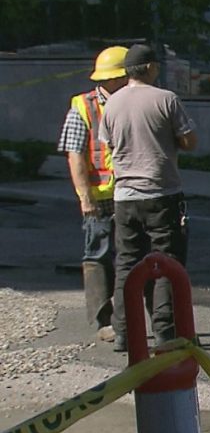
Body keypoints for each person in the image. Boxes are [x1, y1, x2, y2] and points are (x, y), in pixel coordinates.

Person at [98, 44, 198, 351]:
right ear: (152, 68)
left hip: (125, 197)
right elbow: (189, 141)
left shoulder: (112, 104)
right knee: (165, 265)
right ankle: (165, 335)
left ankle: (124, 334)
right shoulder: (166, 99)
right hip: (161, 194)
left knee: (127, 264)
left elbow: (108, 144)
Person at [56, 46, 129, 342]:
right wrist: (85, 198)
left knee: (128, 257)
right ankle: (103, 320)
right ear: (116, 79)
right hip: (99, 198)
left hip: (128, 194)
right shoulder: (83, 107)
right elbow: (75, 156)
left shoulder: (127, 103)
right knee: (97, 255)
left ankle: (125, 319)